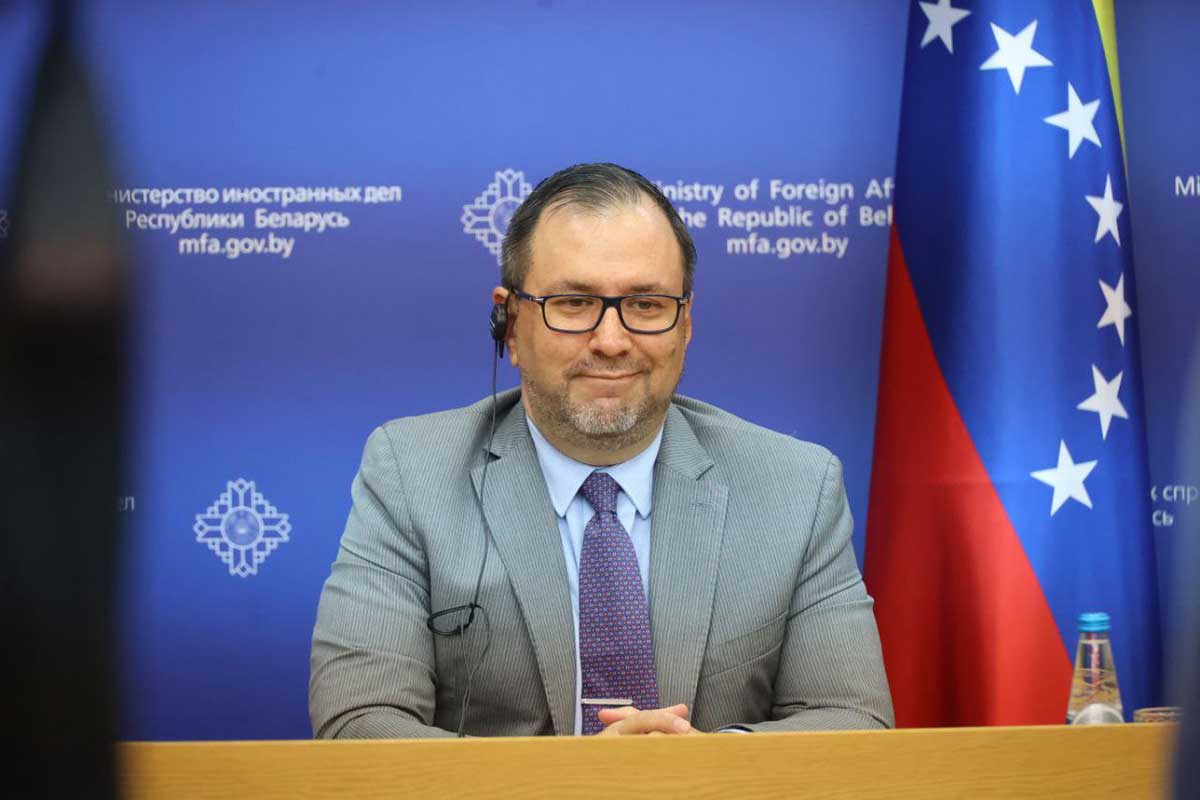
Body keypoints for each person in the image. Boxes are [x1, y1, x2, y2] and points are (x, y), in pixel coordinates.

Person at [309, 162, 893, 737]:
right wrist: (575, 780)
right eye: (573, 303)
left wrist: (707, 765)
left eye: (646, 305)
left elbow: (852, 719)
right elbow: (359, 721)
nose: (611, 341)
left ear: (685, 324)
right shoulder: (411, 475)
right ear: (510, 324)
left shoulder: (796, 488)